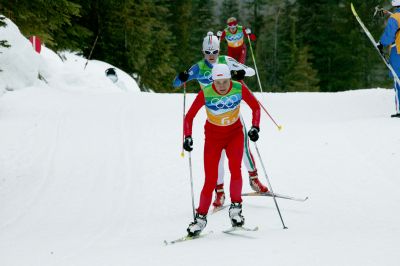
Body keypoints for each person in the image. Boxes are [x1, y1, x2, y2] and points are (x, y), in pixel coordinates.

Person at [173, 32, 268, 209]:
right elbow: (176, 83)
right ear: (203, 51)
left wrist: (241, 72)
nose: (212, 55)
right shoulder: (199, 67)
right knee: (219, 158)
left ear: (219, 50)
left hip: (232, 112)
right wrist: (183, 77)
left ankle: (254, 179)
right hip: (214, 114)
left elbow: (251, 71)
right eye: (208, 52)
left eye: (215, 51)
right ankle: (220, 191)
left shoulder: (225, 61)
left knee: (244, 148)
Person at [183, 64, 261, 236]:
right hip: (213, 138)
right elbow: (189, 116)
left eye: (225, 81)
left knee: (236, 170)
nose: (222, 86)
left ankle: (236, 210)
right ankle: (200, 219)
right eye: (218, 82)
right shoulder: (206, 92)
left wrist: (255, 127)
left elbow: (256, 106)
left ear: (230, 79)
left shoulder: (239, 88)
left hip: (235, 135)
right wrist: (187, 136)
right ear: (213, 81)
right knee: (210, 179)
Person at [378, 0, 400, 117]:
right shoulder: (395, 16)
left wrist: (381, 43)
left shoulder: (395, 18)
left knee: (398, 81)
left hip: (398, 53)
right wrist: (386, 12)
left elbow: (389, 35)